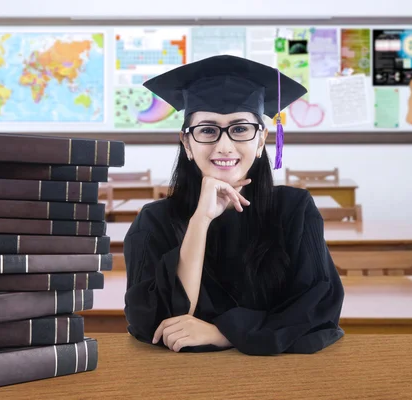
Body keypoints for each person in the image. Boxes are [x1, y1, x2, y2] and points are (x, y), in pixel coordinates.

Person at [123, 55, 344, 356]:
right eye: (207, 130)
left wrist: (224, 333)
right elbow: (156, 323)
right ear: (187, 144)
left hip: (278, 378)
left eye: (240, 129)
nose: (224, 146)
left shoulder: (294, 210)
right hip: (181, 379)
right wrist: (201, 220)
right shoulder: (154, 222)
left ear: (262, 140)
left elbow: (319, 309)